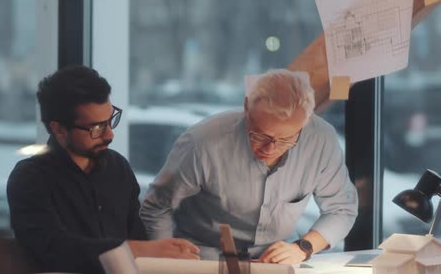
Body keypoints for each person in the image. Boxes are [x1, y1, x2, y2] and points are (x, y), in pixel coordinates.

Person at [140, 69, 358, 264]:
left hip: (276, 260)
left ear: (307, 119)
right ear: (246, 107)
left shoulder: (321, 140)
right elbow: (156, 208)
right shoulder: (203, 142)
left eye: (286, 139)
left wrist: (303, 247)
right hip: (204, 258)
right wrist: (166, 262)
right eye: (260, 135)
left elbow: (342, 209)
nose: (270, 148)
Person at [7, 65, 199, 274]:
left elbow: (137, 237)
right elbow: (52, 249)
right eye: (96, 128)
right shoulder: (30, 179)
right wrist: (135, 250)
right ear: (59, 128)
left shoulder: (118, 168)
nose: (109, 135)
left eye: (110, 120)